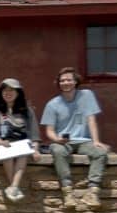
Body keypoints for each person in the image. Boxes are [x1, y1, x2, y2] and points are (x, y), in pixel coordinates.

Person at [41, 67, 109, 205]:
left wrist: (96, 141)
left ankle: (93, 191)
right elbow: (49, 131)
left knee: (100, 152)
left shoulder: (87, 95)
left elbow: (91, 119)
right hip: (63, 142)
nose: (65, 83)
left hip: (84, 141)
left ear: (75, 81)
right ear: (58, 83)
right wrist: (57, 140)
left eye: (68, 80)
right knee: (57, 150)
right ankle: (67, 192)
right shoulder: (52, 104)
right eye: (62, 80)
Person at [0, 77, 38, 200]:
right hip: (3, 144)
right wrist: (0, 142)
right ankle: (14, 187)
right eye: (5, 90)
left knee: (24, 153)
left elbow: (34, 132)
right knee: (7, 154)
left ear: (18, 93)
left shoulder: (27, 111)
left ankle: (13, 187)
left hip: (21, 144)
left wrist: (35, 148)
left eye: (11, 90)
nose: (7, 93)